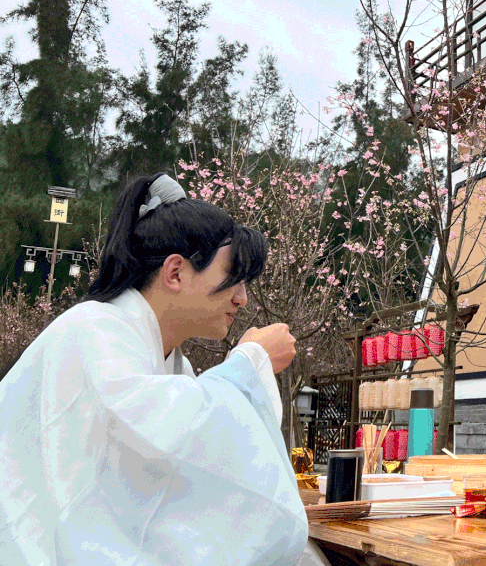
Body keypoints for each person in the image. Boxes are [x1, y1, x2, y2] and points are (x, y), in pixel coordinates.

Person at [0, 174, 326, 565]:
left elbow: (181, 468)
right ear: (175, 273)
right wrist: (250, 364)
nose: (241, 298)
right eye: (233, 277)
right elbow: (148, 434)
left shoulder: (170, 364)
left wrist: (246, 367)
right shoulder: (94, 330)